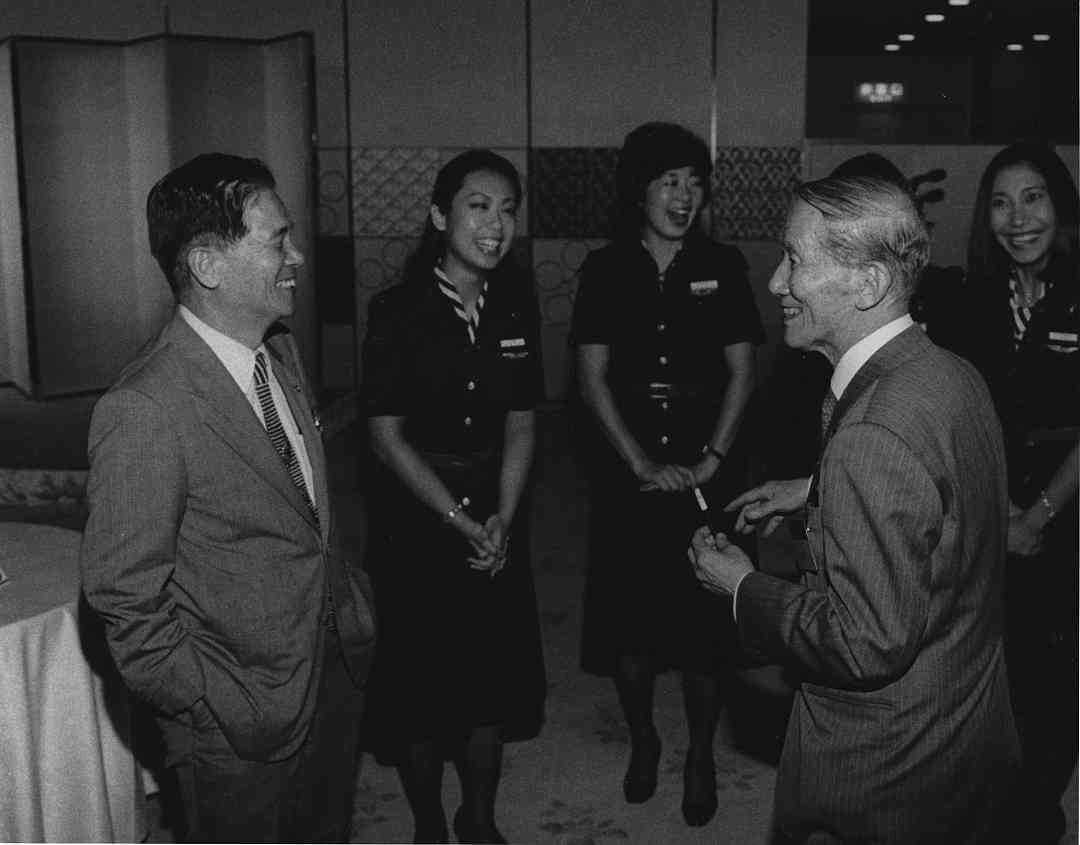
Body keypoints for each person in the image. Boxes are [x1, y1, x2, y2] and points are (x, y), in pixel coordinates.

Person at [688, 174, 1020, 843]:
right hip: (966, 723)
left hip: (890, 768)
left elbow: (864, 641)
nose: (777, 281)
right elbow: (937, 514)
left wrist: (741, 586)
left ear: (867, 284)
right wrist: (816, 488)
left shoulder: (870, 434)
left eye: (796, 260)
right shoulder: (950, 372)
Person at [80, 153, 376, 842]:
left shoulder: (277, 348)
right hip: (238, 720)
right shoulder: (143, 408)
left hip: (333, 667)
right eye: (278, 240)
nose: (297, 255)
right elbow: (124, 596)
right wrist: (209, 703)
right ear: (209, 265)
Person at [570, 121, 763, 827]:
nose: (685, 196)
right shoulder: (605, 268)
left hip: (708, 450)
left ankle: (703, 754)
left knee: (704, 627)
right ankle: (646, 739)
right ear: (639, 187)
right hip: (630, 459)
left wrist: (709, 458)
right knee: (631, 626)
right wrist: (640, 463)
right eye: (669, 181)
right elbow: (591, 378)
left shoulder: (725, 263)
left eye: (695, 182)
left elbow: (744, 370)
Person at [360, 149, 546, 844]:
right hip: (419, 514)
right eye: (478, 206)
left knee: (488, 674)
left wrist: (502, 515)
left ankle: (481, 815)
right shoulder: (398, 311)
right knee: (421, 682)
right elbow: (385, 437)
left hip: (495, 508)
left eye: (507, 209)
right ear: (440, 216)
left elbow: (524, 421)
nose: (495, 225)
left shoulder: (516, 305)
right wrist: (459, 520)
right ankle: (430, 819)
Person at [960, 142, 1079, 844]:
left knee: (1051, 666)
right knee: (989, 659)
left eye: (1032, 196)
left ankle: (1041, 805)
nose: (1017, 217)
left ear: (1060, 203)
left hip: (1063, 507)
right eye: (1001, 202)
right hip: (992, 508)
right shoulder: (978, 296)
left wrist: (1039, 514)